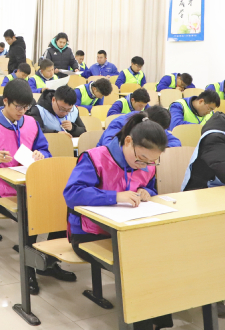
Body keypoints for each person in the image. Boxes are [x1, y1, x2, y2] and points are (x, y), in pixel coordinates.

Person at [64, 112, 174, 329]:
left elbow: (149, 186)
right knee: (138, 266)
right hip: (89, 235)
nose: (145, 165)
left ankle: (159, 320)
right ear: (128, 141)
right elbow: (72, 193)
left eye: (152, 161)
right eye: (141, 159)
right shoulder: (95, 158)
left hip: (129, 232)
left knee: (163, 258)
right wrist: (114, 196)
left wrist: (146, 192)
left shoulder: (147, 163)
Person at [0, 79, 73, 293]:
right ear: (5, 101)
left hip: (31, 186)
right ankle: (29, 270)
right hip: (0, 192)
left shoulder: (31, 123)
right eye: (18, 107)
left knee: (62, 207)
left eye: (26, 107)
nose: (22, 111)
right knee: (30, 215)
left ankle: (48, 262)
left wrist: (42, 154)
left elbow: (45, 150)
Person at [97, 105, 181, 148]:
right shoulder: (119, 123)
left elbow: (175, 142)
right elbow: (109, 146)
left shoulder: (155, 125)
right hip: (108, 163)